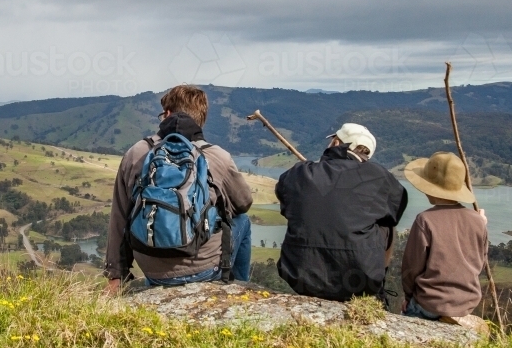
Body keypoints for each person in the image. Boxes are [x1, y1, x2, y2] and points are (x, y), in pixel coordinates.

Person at [104, 85, 253, 292]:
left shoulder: (137, 152)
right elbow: (243, 203)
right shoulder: (217, 156)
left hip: (151, 269)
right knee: (243, 222)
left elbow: (120, 217)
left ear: (166, 114)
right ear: (200, 119)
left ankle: (157, 286)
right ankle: (238, 289)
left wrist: (116, 274)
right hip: (204, 269)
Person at [275, 123, 408, 301]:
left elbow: (286, 202)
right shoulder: (381, 177)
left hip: (299, 277)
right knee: (387, 225)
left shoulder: (300, 173)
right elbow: (396, 211)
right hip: (360, 282)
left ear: (336, 143)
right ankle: (378, 289)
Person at [400, 151, 489, 320]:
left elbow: (411, 267)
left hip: (430, 304)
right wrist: (480, 223)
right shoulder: (478, 221)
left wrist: (408, 296)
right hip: (466, 304)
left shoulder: (425, 220)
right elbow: (480, 262)